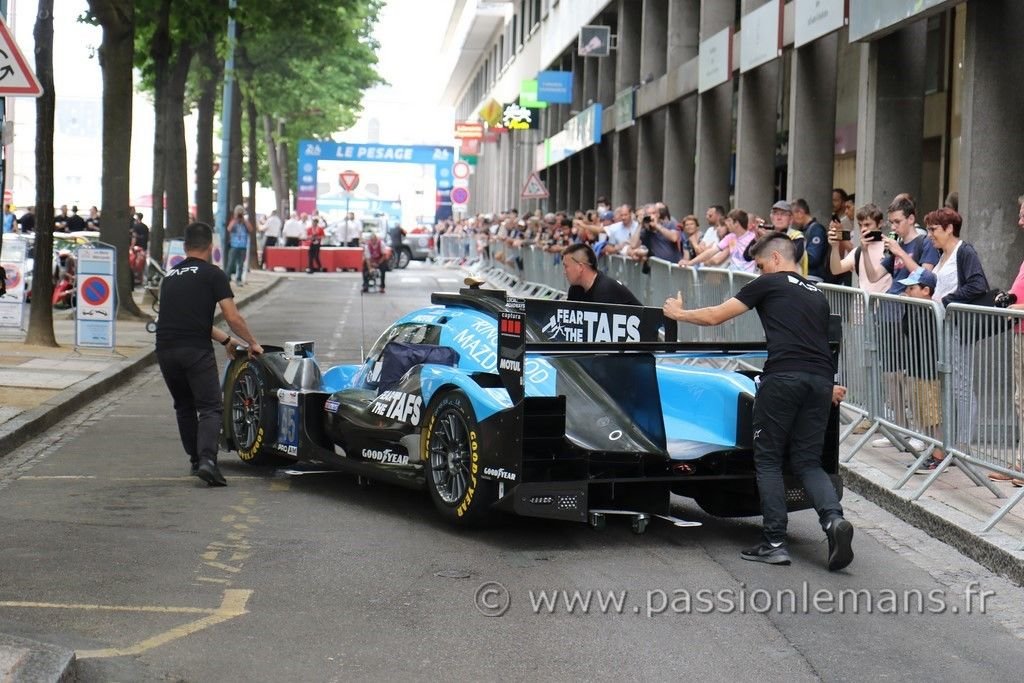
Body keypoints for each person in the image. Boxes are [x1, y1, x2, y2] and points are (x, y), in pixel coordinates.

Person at [662, 232, 854, 571]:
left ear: (777, 259)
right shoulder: (817, 295)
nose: (760, 271)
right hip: (819, 381)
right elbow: (820, 345)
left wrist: (678, 313)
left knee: (767, 460)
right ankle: (833, 521)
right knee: (808, 461)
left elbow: (715, 316)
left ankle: (775, 542)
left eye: (762, 264)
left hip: (783, 378)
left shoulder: (769, 284)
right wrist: (831, 386)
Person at [156, 221, 263, 486]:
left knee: (184, 406)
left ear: (185, 246)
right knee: (210, 406)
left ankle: (195, 461)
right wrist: (252, 343)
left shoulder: (169, 276)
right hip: (194, 350)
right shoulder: (213, 274)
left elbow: (189, 319)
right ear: (210, 246)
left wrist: (226, 340)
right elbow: (232, 316)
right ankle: (208, 461)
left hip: (165, 349)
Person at [926, 207, 988, 452]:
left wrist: (946, 300)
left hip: (958, 327)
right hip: (943, 328)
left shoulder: (964, 251)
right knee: (949, 384)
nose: (930, 235)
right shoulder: (943, 255)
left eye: (934, 229)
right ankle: (951, 443)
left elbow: (978, 284)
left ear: (949, 228)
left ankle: (963, 445)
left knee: (962, 385)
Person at [897, 268, 946, 473]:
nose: (907, 292)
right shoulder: (916, 308)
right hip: (917, 368)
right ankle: (931, 452)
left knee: (932, 414)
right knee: (922, 412)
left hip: (929, 371)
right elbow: (907, 330)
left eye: (912, 288)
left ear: (926, 290)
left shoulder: (932, 309)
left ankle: (938, 456)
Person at [562, 242, 641, 306]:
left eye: (566, 267)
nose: (564, 272)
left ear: (580, 267)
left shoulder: (605, 290)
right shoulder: (576, 289)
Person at [680, 208, 756, 273]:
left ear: (736, 223)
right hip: (734, 279)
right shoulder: (730, 237)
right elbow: (711, 252)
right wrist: (690, 263)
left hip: (748, 280)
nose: (727, 224)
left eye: (729, 221)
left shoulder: (754, 238)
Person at [226, 205, 252, 285]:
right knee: (230, 263)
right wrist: (235, 219)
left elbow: (251, 229)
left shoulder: (245, 222)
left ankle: (239, 279)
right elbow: (229, 229)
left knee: (241, 264)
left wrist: (244, 220)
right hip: (234, 246)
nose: (240, 215)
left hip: (243, 246)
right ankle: (227, 278)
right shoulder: (234, 221)